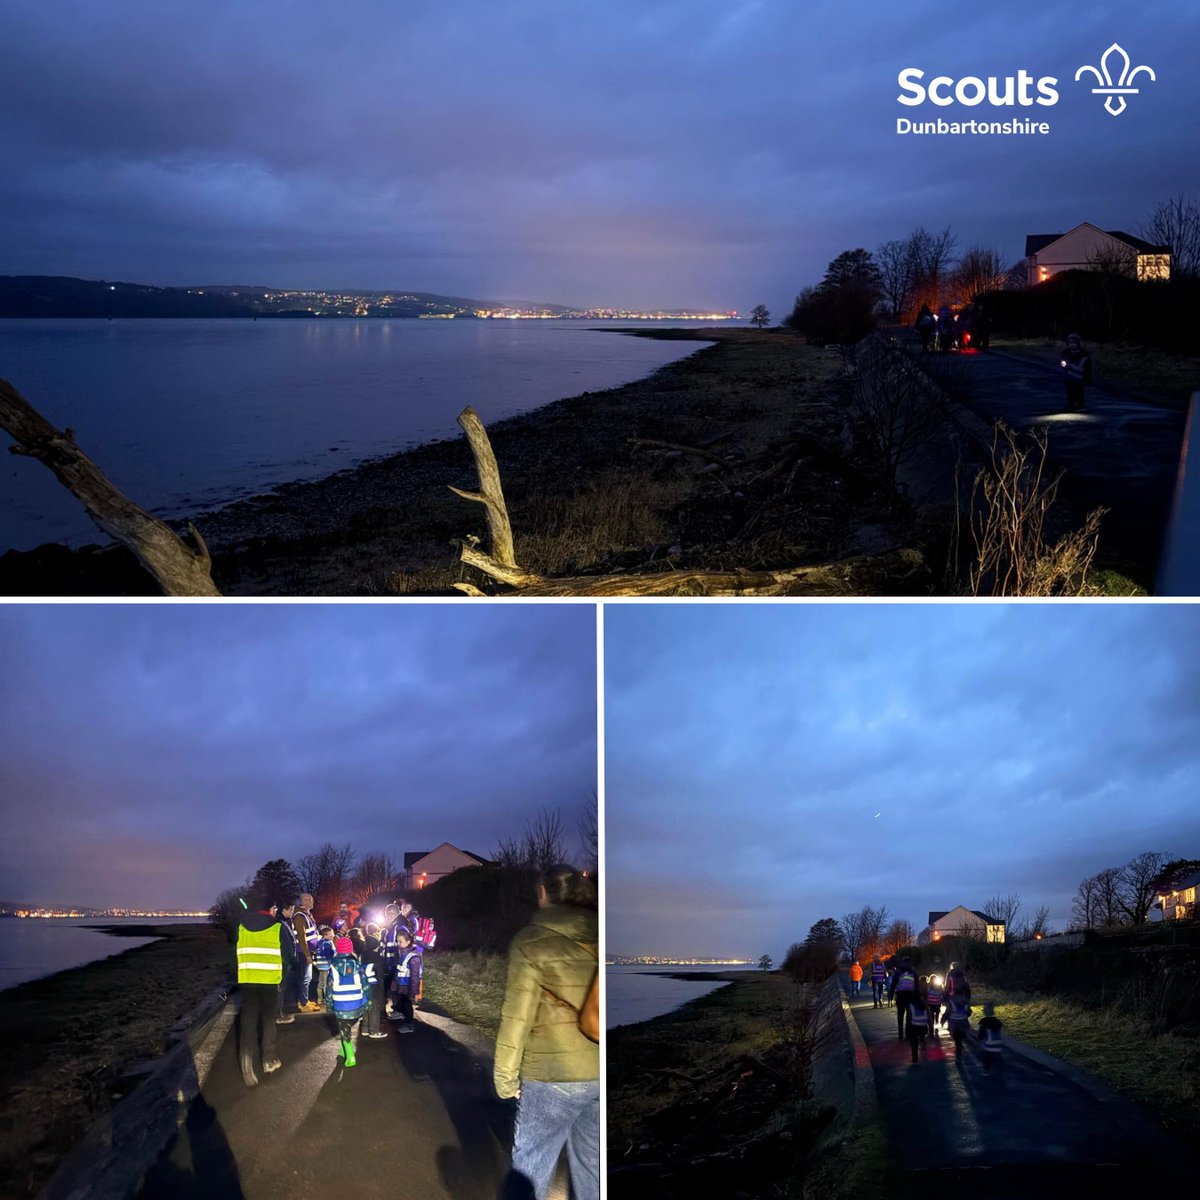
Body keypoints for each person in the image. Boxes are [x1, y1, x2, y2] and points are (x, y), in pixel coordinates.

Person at [494, 866, 599, 1200]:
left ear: (543, 893)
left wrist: (506, 1080)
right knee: (592, 1168)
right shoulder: (600, 931)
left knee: (532, 1164)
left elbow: (517, 1018)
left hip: (552, 1075)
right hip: (599, 1070)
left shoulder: (531, 941)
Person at [236, 897, 285, 1086]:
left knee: (248, 1019)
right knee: (267, 1020)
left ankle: (246, 1060)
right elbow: (288, 954)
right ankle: (268, 1060)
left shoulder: (241, 926)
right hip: (269, 981)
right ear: (271, 908)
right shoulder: (277, 927)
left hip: (247, 979)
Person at [326, 934, 371, 1066]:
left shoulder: (333, 966)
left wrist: (329, 1005)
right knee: (349, 1023)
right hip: (357, 1002)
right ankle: (343, 1049)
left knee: (343, 1026)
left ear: (338, 950)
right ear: (351, 950)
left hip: (340, 1003)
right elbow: (366, 984)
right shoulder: (358, 965)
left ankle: (350, 1055)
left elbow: (329, 988)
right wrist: (368, 1002)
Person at [388, 928, 423, 1032]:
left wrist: (413, 991)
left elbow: (415, 976)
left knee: (407, 1004)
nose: (398, 944)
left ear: (408, 942)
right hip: (401, 984)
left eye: (401, 941)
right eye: (397, 941)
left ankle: (409, 1025)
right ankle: (403, 1018)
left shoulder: (414, 957)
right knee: (402, 1002)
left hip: (407, 986)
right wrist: (395, 982)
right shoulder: (401, 953)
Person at [293, 893, 321, 1012]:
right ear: (301, 901)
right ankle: (303, 1003)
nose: (310, 901)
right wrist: (307, 954)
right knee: (305, 978)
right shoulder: (300, 916)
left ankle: (305, 1000)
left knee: (307, 977)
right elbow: (301, 937)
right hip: (303, 952)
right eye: (306, 899)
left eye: (311, 898)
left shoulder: (307, 915)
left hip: (309, 951)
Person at [360, 926, 388, 1038]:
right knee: (375, 1008)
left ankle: (365, 1028)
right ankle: (374, 1030)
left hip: (364, 986)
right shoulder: (377, 958)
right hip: (374, 986)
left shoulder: (362, 956)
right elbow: (380, 974)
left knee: (366, 1007)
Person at [276, 900, 299, 1022]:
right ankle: (278, 1014)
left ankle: (279, 1011)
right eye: (291, 910)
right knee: (280, 988)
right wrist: (290, 959)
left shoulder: (285, 922)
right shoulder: (280, 924)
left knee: (281, 988)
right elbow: (286, 944)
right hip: (283, 961)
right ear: (284, 910)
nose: (292, 912)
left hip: (285, 960)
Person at [888, 958, 919, 1040]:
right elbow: (917, 985)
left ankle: (900, 1035)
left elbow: (893, 984)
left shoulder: (898, 972)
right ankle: (908, 1035)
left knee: (900, 1015)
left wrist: (890, 996)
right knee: (909, 1015)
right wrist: (918, 997)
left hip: (900, 995)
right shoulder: (913, 972)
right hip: (910, 996)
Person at [1061, 333, 1092, 412]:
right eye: (1070, 343)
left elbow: (1087, 366)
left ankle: (1080, 406)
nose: (1072, 345)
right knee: (1070, 392)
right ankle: (1071, 405)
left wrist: (1087, 378)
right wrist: (1062, 363)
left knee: (1079, 392)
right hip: (1069, 377)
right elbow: (1062, 362)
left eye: (1074, 343)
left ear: (1078, 344)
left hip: (1079, 377)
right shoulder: (1065, 353)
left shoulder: (1083, 354)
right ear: (1068, 343)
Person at [906, 979, 930, 1063]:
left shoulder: (910, 1005)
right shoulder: (924, 1005)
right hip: (923, 1025)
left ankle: (915, 1057)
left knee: (914, 1042)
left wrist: (907, 1031)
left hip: (914, 1025)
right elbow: (929, 1017)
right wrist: (930, 1027)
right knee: (922, 1038)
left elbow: (909, 1017)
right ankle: (924, 1050)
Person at [978, 1002, 1004, 1072]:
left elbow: (981, 1036)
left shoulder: (983, 1022)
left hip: (988, 1047)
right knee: (997, 1062)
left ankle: (986, 1070)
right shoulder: (998, 1022)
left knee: (985, 1058)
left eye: (984, 1009)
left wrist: (980, 1044)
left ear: (985, 1011)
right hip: (998, 1046)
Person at [944, 995, 972, 1061]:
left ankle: (959, 1052)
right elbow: (969, 1012)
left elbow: (948, 1012)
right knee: (962, 1036)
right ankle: (960, 1049)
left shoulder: (951, 1001)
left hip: (955, 1023)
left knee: (957, 1039)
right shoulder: (965, 1000)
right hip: (963, 1022)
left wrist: (944, 1019)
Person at [313, 925, 336, 1004]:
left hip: (320, 966)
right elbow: (328, 955)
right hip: (326, 965)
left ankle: (319, 999)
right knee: (327, 983)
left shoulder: (319, 943)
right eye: (330, 934)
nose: (332, 935)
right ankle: (327, 999)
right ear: (325, 935)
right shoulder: (327, 943)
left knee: (321, 983)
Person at [925, 972, 944, 1037]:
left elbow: (927, 994)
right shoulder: (940, 986)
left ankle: (931, 1027)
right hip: (938, 1003)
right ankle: (937, 1022)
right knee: (937, 1012)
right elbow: (942, 993)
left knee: (931, 1015)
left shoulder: (928, 986)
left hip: (930, 1003)